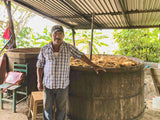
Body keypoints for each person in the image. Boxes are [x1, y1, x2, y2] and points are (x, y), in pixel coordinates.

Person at [36, 25, 106, 120]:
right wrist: (39, 81)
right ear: (51, 35)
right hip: (48, 85)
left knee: (61, 109)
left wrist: (93, 65)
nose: (57, 36)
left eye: (60, 34)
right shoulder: (44, 49)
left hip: (62, 85)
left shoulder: (69, 48)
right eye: (55, 34)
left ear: (63, 36)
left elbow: (81, 56)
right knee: (47, 109)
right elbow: (39, 65)